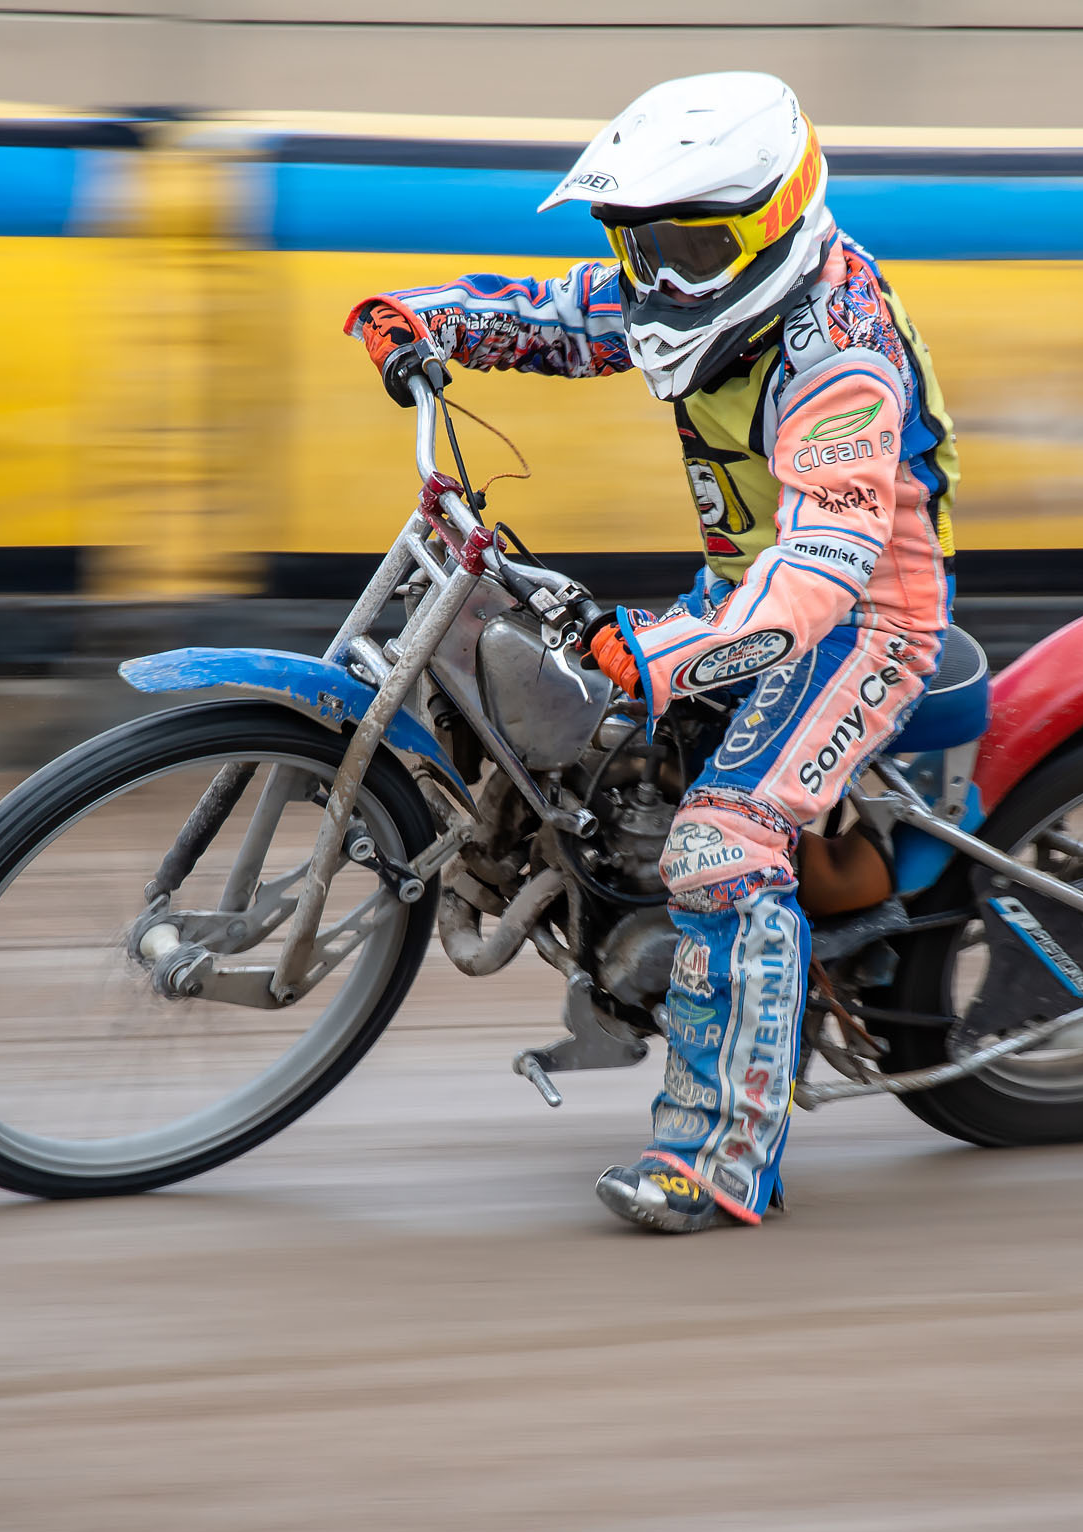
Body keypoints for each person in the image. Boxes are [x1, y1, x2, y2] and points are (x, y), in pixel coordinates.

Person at [346, 71, 957, 1233]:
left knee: (722, 840)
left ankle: (720, 1157)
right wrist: (423, 320)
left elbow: (821, 567)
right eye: (641, 247)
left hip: (861, 620)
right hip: (743, 590)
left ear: (772, 224)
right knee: (601, 759)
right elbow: (556, 315)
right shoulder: (676, 291)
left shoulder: (837, 361)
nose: (659, 280)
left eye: (688, 248)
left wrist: (664, 650)